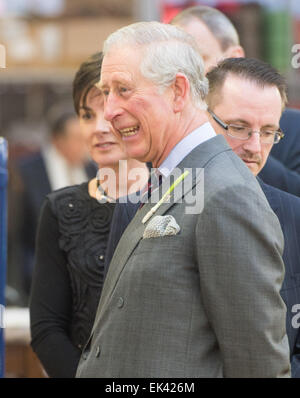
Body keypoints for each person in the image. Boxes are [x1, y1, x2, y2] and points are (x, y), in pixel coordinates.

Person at [76, 21, 290, 378]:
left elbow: (260, 365)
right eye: (106, 91)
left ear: (178, 91)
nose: (109, 110)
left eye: (124, 90)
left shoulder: (227, 193)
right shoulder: (177, 177)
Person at [29, 52, 149, 378]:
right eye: (85, 114)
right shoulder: (60, 208)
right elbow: (46, 327)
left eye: (110, 114)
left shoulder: (178, 196)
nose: (99, 128)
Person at [206, 57, 300, 378]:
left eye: (269, 132)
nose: (255, 147)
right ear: (204, 119)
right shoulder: (156, 205)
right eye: (239, 128)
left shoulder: (295, 216)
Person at [170, 5, 300, 196]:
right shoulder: (163, 133)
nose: (183, 75)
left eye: (196, 60)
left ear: (234, 57)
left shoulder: (293, 128)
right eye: (174, 64)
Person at [13, 110, 97, 299]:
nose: (85, 146)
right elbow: (17, 233)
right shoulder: (27, 170)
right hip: (38, 278)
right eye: (77, 139)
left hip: (86, 280)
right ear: (57, 140)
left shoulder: (94, 169)